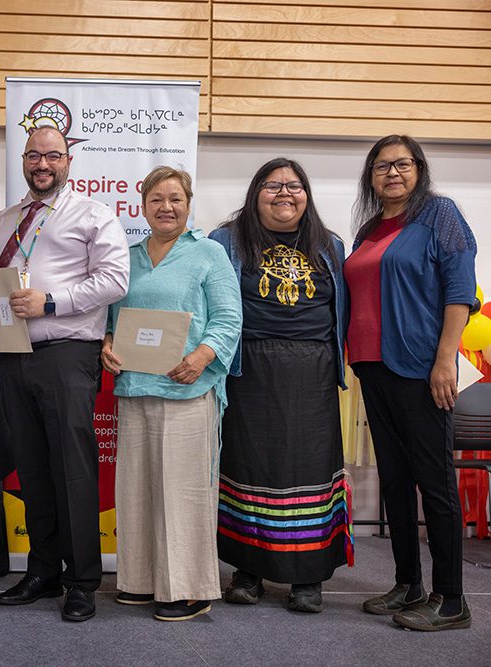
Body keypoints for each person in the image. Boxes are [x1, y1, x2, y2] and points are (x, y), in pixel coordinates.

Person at [0, 126, 130, 622]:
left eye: (53, 156)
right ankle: (42, 570)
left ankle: (82, 580)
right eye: (34, 155)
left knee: (73, 469)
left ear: (68, 161)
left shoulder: (94, 214)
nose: (43, 164)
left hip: (66, 354)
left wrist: (51, 301)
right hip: (11, 353)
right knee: (33, 468)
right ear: (24, 159)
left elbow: (115, 280)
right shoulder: (4, 221)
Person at [345, 135, 476, 631]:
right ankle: (408, 584)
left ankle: (452, 599)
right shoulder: (370, 229)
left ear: (419, 169)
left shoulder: (439, 215)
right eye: (381, 166)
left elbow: (460, 289)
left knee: (434, 482)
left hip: (421, 367)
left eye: (402, 164)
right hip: (373, 368)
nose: (392, 173)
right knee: (395, 481)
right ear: (371, 176)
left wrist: (445, 360)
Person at [209, 158, 352, 614]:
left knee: (309, 470)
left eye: (294, 186)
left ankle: (307, 578)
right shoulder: (226, 240)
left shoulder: (330, 245)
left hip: (313, 370)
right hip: (248, 367)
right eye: (273, 186)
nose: (284, 193)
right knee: (248, 468)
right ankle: (247, 572)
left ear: (307, 195)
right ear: (255, 193)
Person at [101, 166, 241, 622]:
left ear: (188, 203)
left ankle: (188, 587)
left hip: (188, 388)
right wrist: (107, 345)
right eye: (157, 199)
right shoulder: (128, 255)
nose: (166, 207)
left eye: (175, 199)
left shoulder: (209, 254)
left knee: (183, 493)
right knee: (137, 490)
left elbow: (228, 319)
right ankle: (140, 581)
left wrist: (202, 357)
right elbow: (110, 321)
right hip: (136, 386)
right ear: (142, 206)